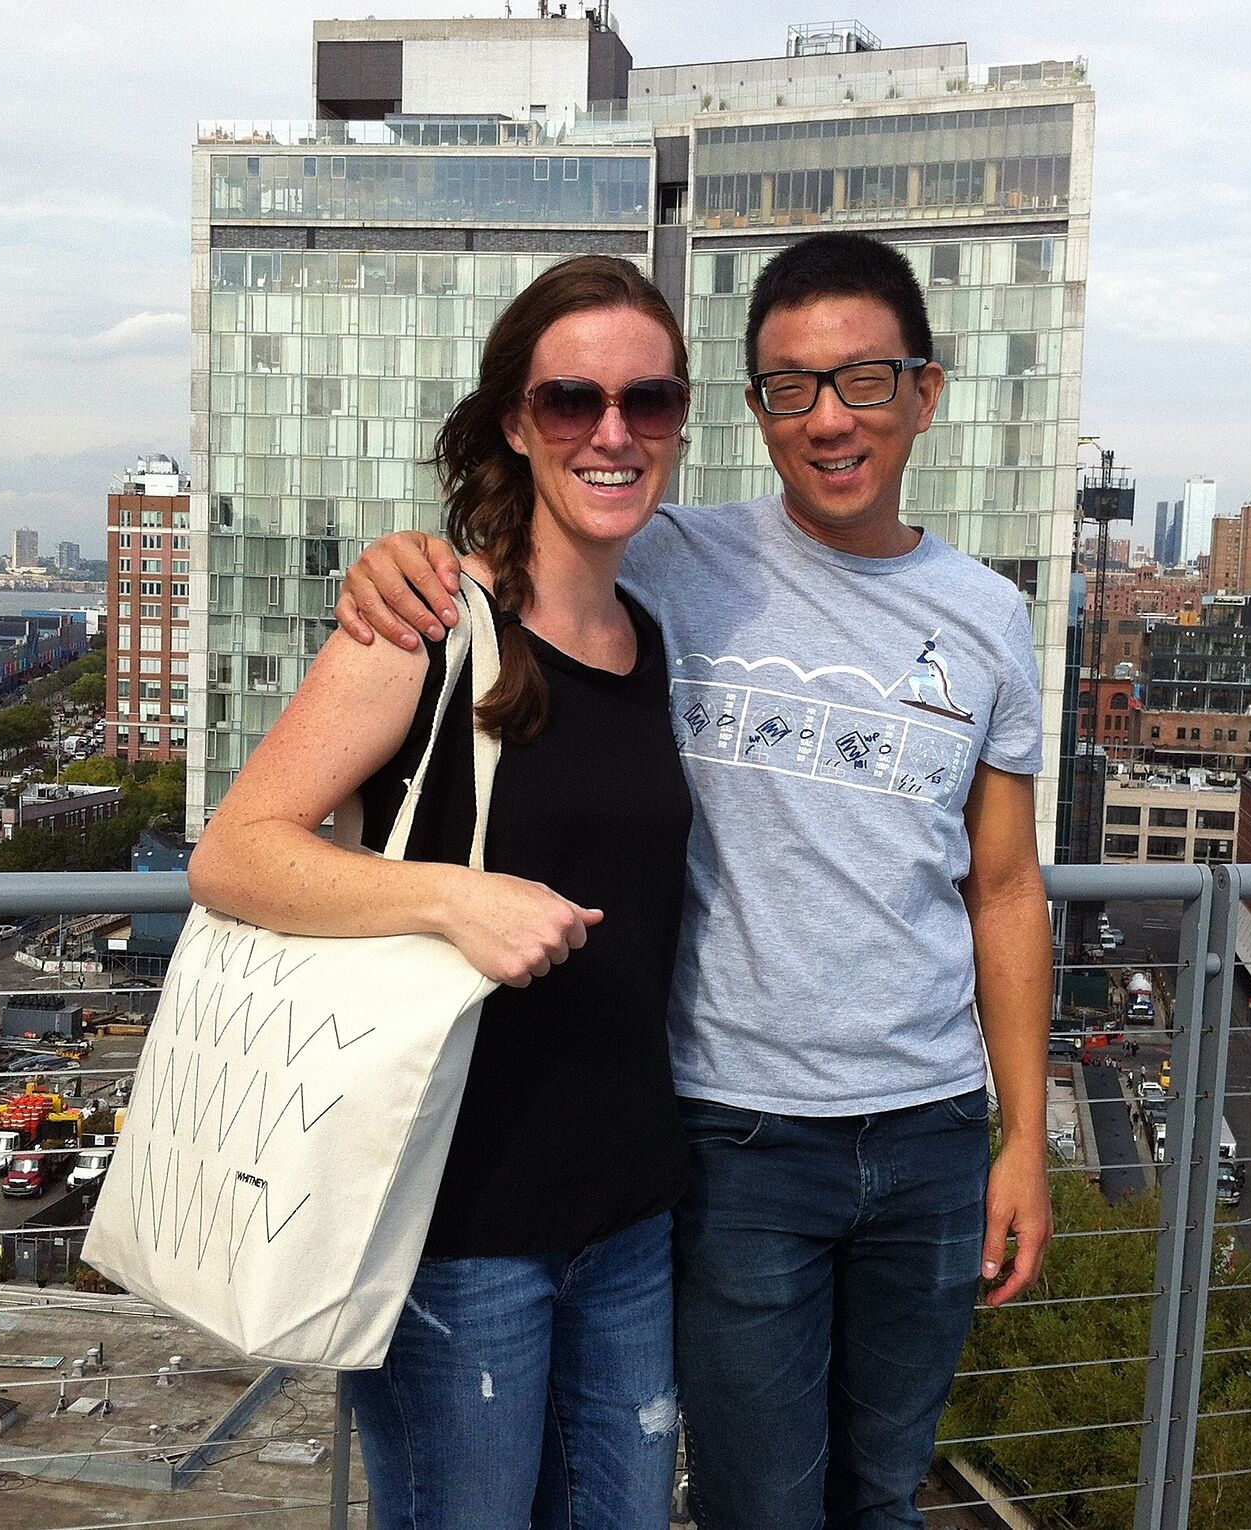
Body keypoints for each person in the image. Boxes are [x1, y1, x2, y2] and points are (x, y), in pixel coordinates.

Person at [337, 231, 1054, 1530]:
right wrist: (401, 557)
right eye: (790, 387)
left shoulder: (993, 619)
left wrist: (1025, 1137)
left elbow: (1003, 890)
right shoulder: (676, 558)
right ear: (753, 411)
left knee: (883, 1488)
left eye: (865, 380)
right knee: (755, 1502)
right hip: (737, 1134)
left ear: (928, 393)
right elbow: (539, 536)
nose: (829, 418)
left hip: (936, 1132)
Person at [188, 255, 695, 1530]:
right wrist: (446, 899)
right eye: (572, 400)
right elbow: (236, 851)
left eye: (651, 400)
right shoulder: (423, 624)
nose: (613, 432)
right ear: (518, 425)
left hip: (629, 1218)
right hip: (450, 1229)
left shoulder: (652, 638)